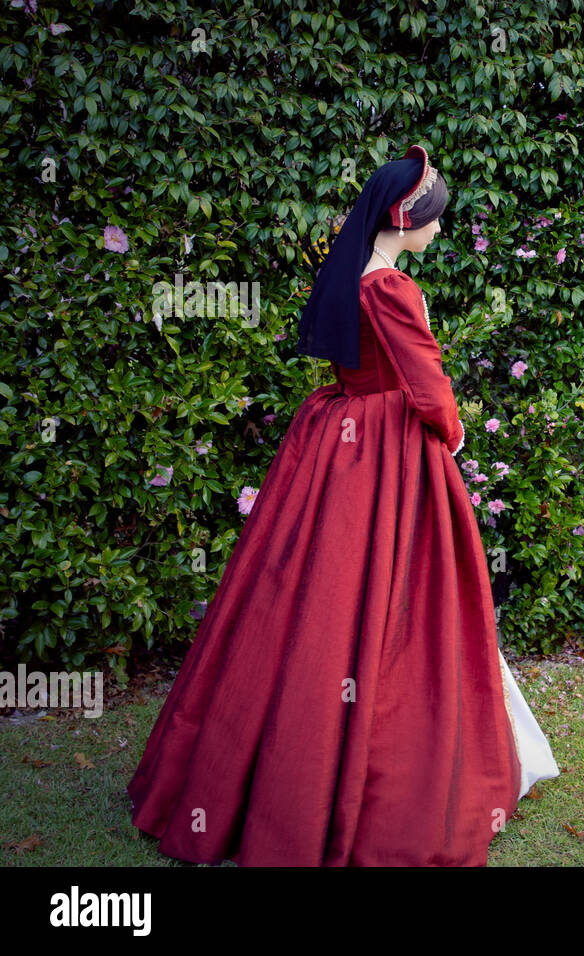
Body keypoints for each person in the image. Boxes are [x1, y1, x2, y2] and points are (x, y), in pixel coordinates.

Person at [127, 144, 558, 866]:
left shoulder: (349, 275)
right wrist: (450, 436)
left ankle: (263, 774)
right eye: (434, 220)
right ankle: (373, 786)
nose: (439, 231)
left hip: (339, 441)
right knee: (400, 603)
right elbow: (426, 383)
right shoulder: (390, 288)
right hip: (390, 450)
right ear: (406, 220)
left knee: (308, 600)